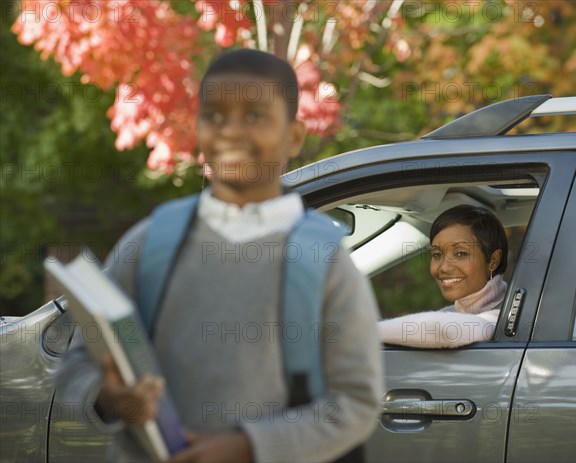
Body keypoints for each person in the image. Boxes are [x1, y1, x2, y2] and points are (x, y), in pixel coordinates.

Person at [55, 49, 383, 462]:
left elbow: (356, 403)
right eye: (214, 115)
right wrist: (111, 398)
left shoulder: (325, 259)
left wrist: (248, 446)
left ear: (294, 137)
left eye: (254, 116)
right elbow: (77, 366)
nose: (230, 131)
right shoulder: (151, 243)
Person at [378, 205, 508, 348]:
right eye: (436, 255)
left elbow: (446, 330)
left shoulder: (507, 315)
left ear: (493, 261)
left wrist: (360, 333)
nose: (444, 267)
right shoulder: (454, 312)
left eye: (460, 253)